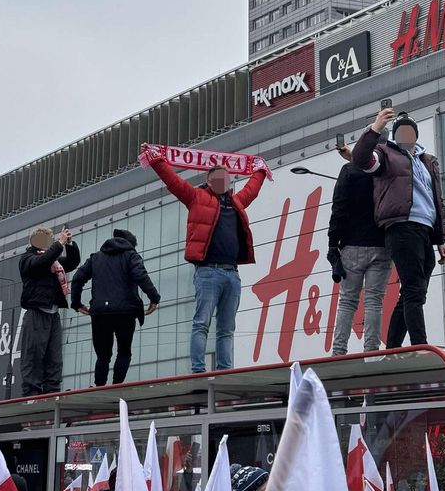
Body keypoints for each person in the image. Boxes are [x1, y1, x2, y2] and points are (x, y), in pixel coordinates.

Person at [143, 145, 268, 373]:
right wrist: (156, 161)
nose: (224, 182)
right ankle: (199, 370)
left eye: (227, 179)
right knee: (202, 323)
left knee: (226, 327)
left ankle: (224, 370)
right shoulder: (196, 197)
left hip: (232, 273)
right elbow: (173, 182)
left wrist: (259, 171)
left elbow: (252, 189)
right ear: (209, 181)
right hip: (208, 271)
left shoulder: (236, 202)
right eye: (219, 178)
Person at [352, 109, 445, 348]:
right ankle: (421, 346)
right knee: (414, 290)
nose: (406, 135)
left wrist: (441, 239)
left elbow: (436, 199)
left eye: (410, 130)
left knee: (412, 292)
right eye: (401, 131)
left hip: (425, 230)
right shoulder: (386, 154)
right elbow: (361, 159)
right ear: (396, 135)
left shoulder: (427, 161)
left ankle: (394, 345)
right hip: (401, 227)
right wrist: (374, 129)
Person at [71, 228, 161, 385]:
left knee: (103, 356)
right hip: (125, 312)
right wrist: (154, 298)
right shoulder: (131, 255)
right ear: (130, 244)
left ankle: (99, 388)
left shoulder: (96, 257)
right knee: (124, 352)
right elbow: (141, 276)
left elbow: (78, 278)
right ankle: (116, 386)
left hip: (100, 313)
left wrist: (76, 303)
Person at [327, 144, 391, 355]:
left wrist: (332, 244)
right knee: (374, 301)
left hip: (352, 245)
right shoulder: (388, 169)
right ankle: (371, 352)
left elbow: (339, 207)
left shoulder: (349, 171)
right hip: (382, 244)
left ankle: (338, 353)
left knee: (347, 301)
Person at [19, 225, 80, 396]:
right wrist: (59, 244)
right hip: (36, 312)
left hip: (53, 314)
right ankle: (31, 394)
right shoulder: (28, 259)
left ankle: (52, 393)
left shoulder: (54, 262)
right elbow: (42, 261)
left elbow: (72, 262)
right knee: (33, 357)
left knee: (54, 358)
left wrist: (69, 244)